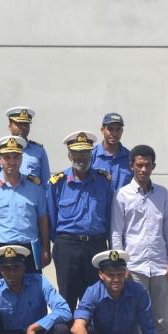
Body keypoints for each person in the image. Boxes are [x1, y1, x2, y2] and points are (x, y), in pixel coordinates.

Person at [110, 144, 168, 334]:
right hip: (135, 267)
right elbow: (117, 233)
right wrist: (122, 266)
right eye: (139, 165)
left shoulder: (162, 193)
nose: (143, 169)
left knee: (162, 318)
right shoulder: (122, 195)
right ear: (131, 166)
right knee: (138, 319)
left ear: (153, 166)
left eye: (147, 165)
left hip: (160, 265)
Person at [47, 131, 114, 314]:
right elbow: (50, 218)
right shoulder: (58, 183)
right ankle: (66, 333)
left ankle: (90, 333)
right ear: (70, 155)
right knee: (66, 296)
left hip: (96, 245)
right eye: (77, 153)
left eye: (85, 153)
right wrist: (59, 243)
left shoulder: (104, 181)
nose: (81, 158)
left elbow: (110, 217)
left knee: (94, 297)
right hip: (67, 246)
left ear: (91, 154)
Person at [0, 136, 49, 280]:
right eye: (7, 157)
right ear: (0, 160)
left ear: (21, 159)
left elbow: (42, 219)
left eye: (16, 157)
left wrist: (45, 248)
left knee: (31, 292)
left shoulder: (35, 187)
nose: (12, 162)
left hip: (28, 251)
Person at [0, 106, 50, 185]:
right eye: (19, 124)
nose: (23, 128)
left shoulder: (39, 151)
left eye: (26, 124)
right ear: (10, 126)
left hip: (32, 192)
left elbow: (46, 184)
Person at [91, 113, 133, 191]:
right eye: (110, 129)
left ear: (122, 131)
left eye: (118, 129)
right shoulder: (91, 156)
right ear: (102, 130)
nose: (114, 134)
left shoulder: (130, 158)